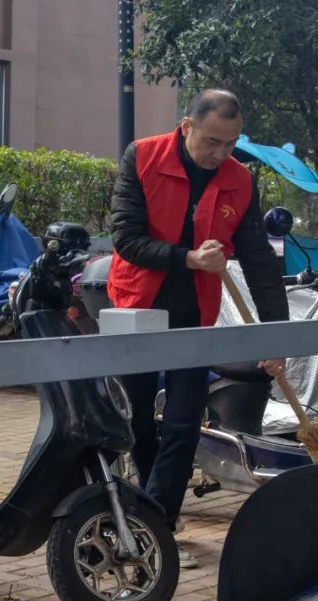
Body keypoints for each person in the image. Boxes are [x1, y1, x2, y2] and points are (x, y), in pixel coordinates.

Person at [108, 89, 290, 569]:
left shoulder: (239, 180)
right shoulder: (142, 157)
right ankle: (151, 515)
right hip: (138, 307)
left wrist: (277, 336)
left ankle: (158, 525)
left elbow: (259, 261)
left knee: (184, 422)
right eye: (212, 141)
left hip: (194, 314)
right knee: (137, 419)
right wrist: (187, 258)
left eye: (231, 144)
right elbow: (126, 238)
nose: (220, 153)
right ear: (187, 126)